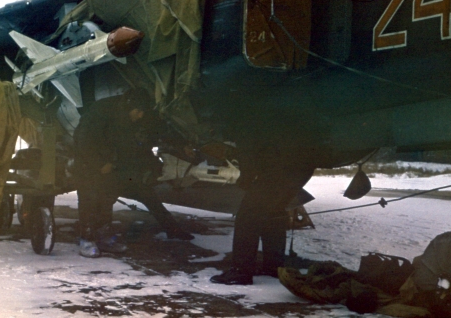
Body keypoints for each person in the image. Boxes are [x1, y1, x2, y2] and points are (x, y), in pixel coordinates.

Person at [73, 92, 193, 258]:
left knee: (106, 200)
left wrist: (183, 144)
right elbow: (84, 140)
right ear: (129, 106)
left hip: (112, 164)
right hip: (89, 163)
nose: (140, 116)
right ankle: (86, 239)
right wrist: (99, 164)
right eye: (138, 112)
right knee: (89, 199)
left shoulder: (137, 111)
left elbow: (159, 128)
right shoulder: (102, 111)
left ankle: (104, 237)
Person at [210, 120, 315, 285]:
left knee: (247, 216)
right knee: (274, 212)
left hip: (278, 170)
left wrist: (246, 178)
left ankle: (241, 272)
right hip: (301, 168)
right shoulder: (277, 116)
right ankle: (274, 266)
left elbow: (248, 150)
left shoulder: (243, 118)